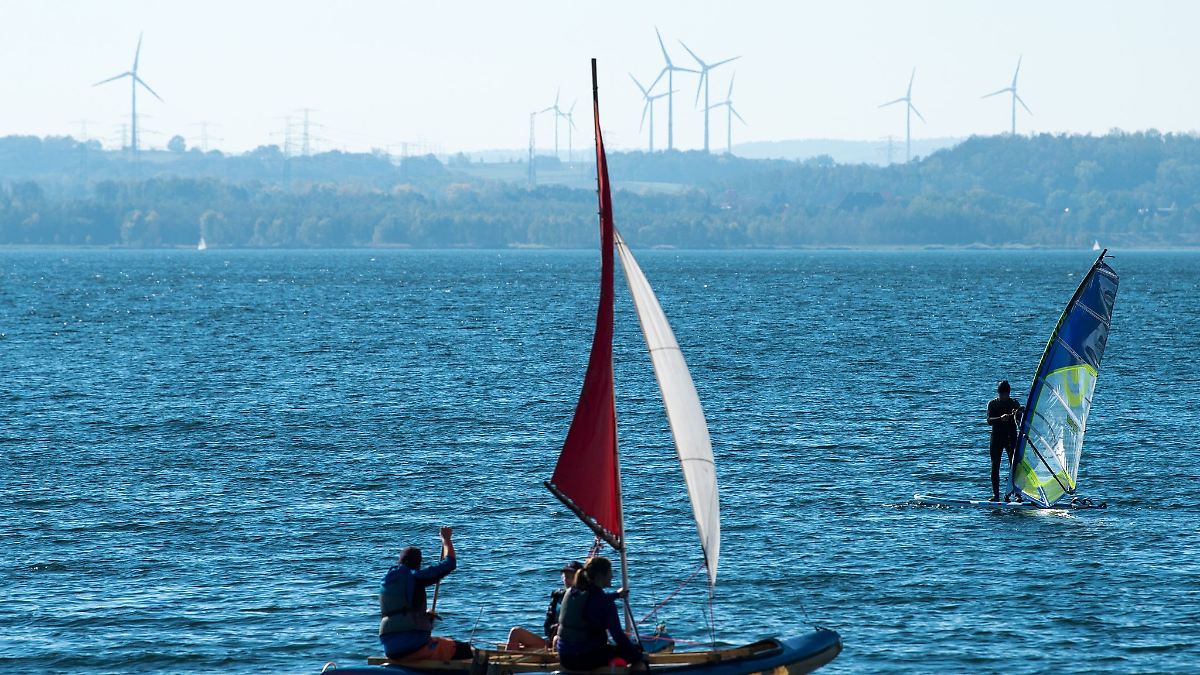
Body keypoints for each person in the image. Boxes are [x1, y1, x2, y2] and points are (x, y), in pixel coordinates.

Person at [378, 526, 473, 662]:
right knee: (463, 649)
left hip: (390, 647)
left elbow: (402, 611)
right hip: (413, 646)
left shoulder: (386, 581)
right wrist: (446, 539)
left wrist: (424, 616)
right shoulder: (414, 576)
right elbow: (450, 563)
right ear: (418, 563)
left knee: (438, 641)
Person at [556, 556, 646, 670]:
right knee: (636, 652)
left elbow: (592, 602)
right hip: (583, 658)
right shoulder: (604, 602)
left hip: (564, 657)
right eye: (610, 573)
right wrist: (639, 656)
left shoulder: (571, 591)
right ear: (600, 576)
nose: (612, 576)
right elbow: (618, 637)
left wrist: (616, 595)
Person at [505, 560, 583, 651]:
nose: (566, 580)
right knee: (515, 632)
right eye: (565, 577)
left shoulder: (585, 597)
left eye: (570, 577)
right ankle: (508, 659)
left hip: (574, 644)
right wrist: (554, 627)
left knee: (557, 639)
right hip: (552, 641)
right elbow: (547, 625)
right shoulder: (557, 596)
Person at [986, 380, 1023, 502]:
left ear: (1009, 393)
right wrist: (1000, 418)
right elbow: (989, 420)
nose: (1003, 396)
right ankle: (996, 495)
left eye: (1005, 394)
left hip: (1011, 437)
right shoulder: (993, 404)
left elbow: (1020, 420)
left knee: (1014, 465)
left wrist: (1017, 413)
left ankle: (1017, 494)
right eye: (1001, 394)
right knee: (995, 465)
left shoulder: (1014, 403)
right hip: (996, 438)